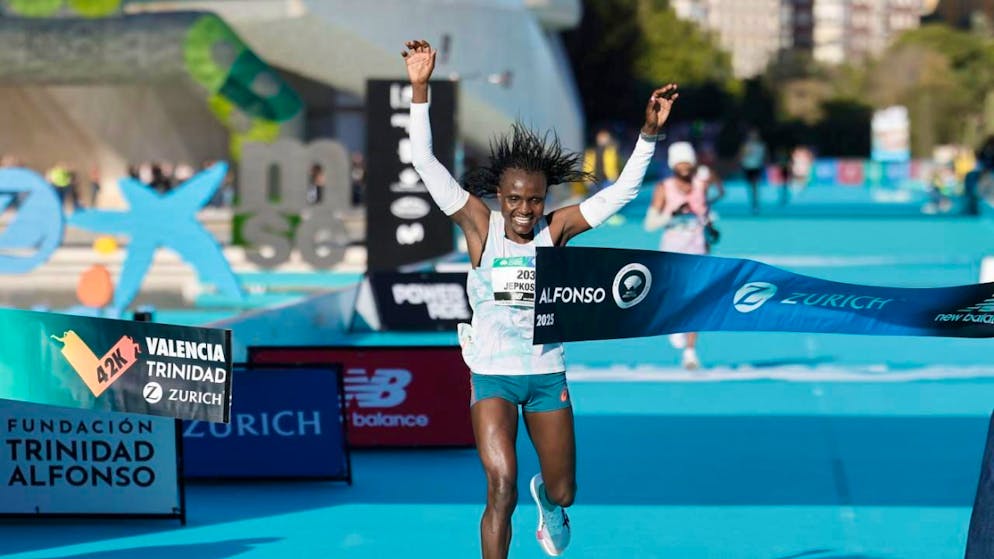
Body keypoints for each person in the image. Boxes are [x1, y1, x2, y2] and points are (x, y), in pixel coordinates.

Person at [402, 39, 677, 559]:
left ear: (544, 199)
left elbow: (620, 195)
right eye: (514, 200)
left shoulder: (557, 230)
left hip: (547, 373)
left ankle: (550, 509)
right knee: (500, 484)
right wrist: (420, 87)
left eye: (533, 200)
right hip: (493, 374)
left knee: (564, 489)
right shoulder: (479, 226)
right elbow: (423, 159)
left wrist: (648, 135)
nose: (524, 211)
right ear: (499, 198)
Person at [643, 141, 721, 370]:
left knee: (697, 301)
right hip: (671, 253)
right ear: (673, 165)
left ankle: (690, 352)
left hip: (697, 250)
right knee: (673, 299)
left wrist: (710, 228)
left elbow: (705, 213)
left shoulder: (700, 185)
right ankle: (673, 325)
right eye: (681, 163)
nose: (685, 167)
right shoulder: (664, 188)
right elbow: (650, 224)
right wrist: (671, 215)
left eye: (689, 162)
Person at [739, 128, 766, 214]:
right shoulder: (745, 145)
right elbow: (742, 155)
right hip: (747, 166)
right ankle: (753, 202)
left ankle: (756, 204)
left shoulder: (761, 145)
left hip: (757, 167)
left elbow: (764, 155)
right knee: (750, 186)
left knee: (755, 185)